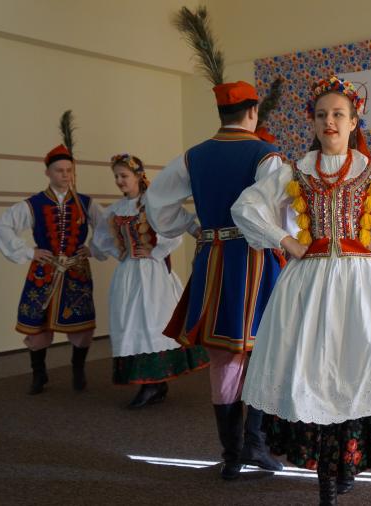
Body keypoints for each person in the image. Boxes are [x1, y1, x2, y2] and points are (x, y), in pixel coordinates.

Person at [231, 75, 371, 506]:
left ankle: (347, 462)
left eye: (338, 114)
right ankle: (326, 475)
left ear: (352, 121)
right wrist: (287, 241)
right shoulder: (295, 171)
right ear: (313, 122)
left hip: (364, 284)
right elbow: (246, 206)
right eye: (322, 114)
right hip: (310, 283)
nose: (329, 121)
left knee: (357, 367)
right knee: (315, 370)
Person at [145, 80, 285, 480]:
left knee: (223, 356)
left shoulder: (192, 157)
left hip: (212, 260)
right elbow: (280, 215)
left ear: (220, 113)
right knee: (263, 351)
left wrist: (195, 226)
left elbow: (157, 204)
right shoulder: (266, 156)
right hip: (255, 260)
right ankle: (255, 443)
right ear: (253, 112)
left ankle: (232, 454)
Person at [91, 153, 209, 408]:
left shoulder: (154, 203)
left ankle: (153, 383)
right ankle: (153, 383)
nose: (119, 181)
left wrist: (155, 251)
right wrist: (118, 252)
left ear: (138, 176)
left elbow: (176, 228)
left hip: (153, 273)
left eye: (124, 175)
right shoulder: (115, 210)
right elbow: (100, 240)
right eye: (116, 176)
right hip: (128, 273)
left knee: (153, 321)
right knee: (131, 321)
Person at [0, 143, 104, 395]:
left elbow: (107, 228)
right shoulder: (34, 204)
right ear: (48, 173)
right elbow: (2, 227)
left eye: (69, 170)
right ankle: (39, 374)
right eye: (59, 170)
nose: (65, 175)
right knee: (37, 324)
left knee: (82, 326)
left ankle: (78, 369)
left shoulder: (85, 203)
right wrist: (29, 252)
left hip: (76, 272)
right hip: (43, 273)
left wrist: (94, 248)